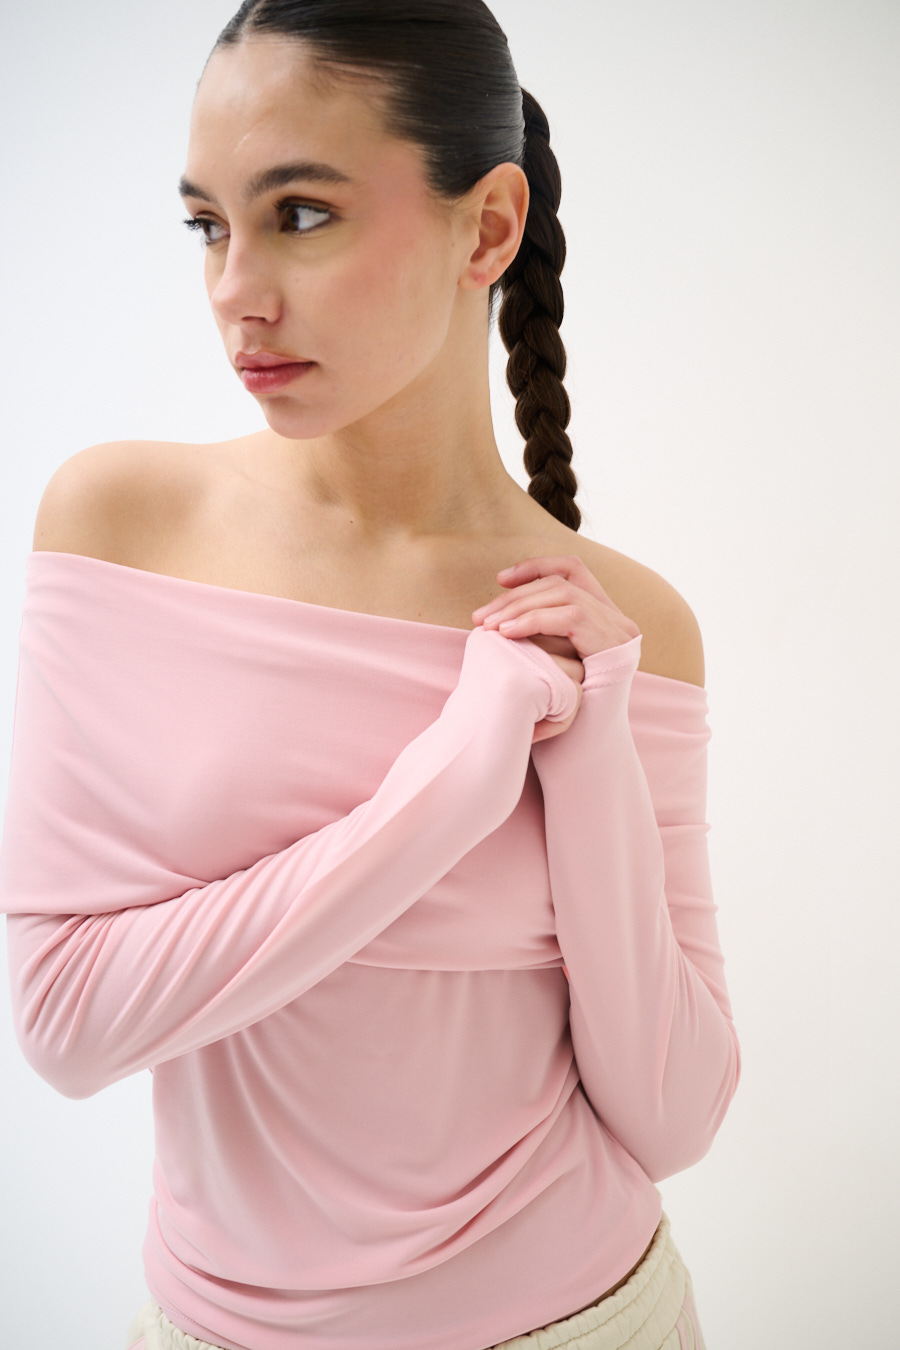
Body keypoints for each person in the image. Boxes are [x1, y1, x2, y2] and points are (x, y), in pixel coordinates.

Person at [0, 2, 740, 1348]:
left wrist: (589, 755)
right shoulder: (121, 524)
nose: (236, 290)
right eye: (208, 225)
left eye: (301, 214)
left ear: (489, 227)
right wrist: (450, 786)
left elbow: (675, 1115)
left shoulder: (625, 626)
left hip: (593, 1322)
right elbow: (65, 1023)